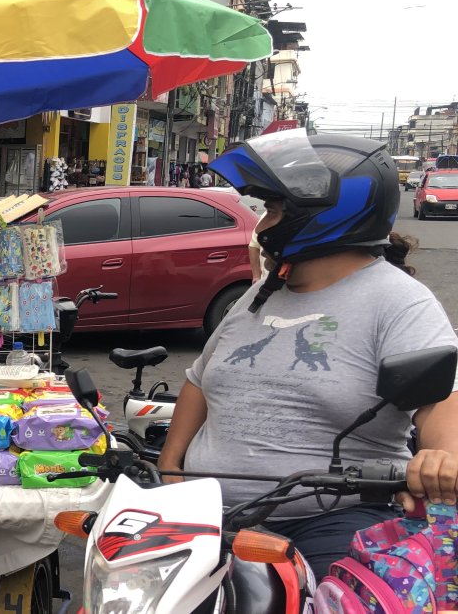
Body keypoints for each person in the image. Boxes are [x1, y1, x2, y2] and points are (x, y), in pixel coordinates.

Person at [157, 131, 458, 579]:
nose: (261, 226)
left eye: (274, 210)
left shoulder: (400, 302)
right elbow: (200, 380)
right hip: (205, 514)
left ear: (325, 214)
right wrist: (170, 466)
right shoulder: (260, 293)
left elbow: (439, 399)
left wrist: (444, 457)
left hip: (329, 520)